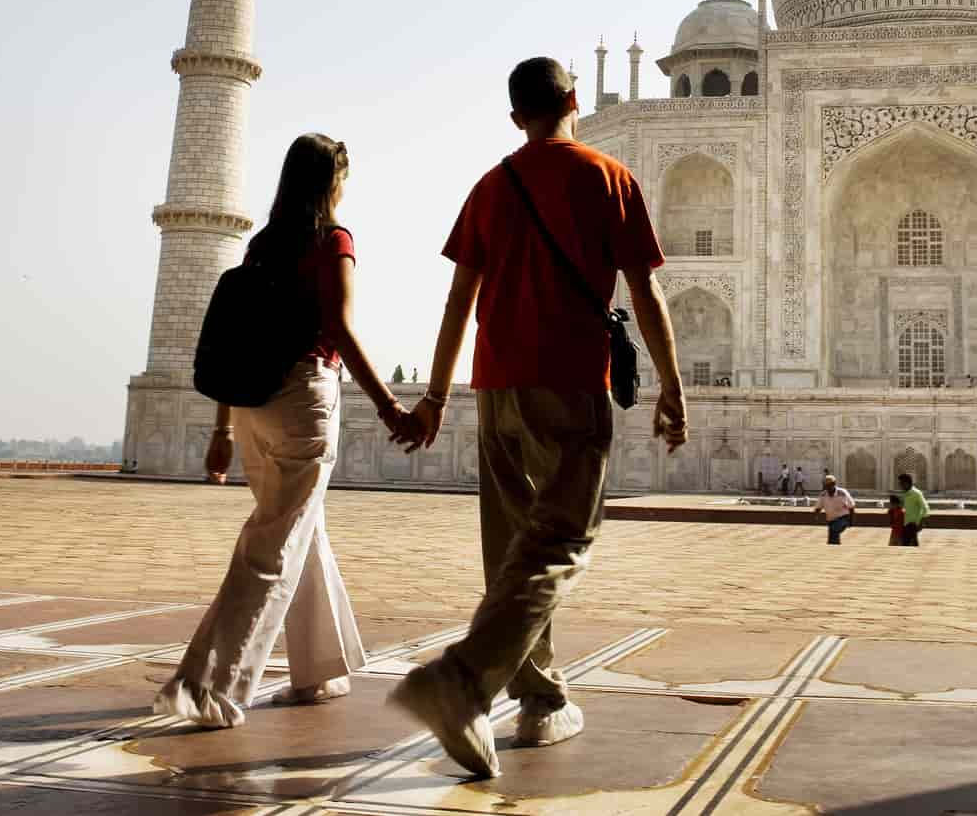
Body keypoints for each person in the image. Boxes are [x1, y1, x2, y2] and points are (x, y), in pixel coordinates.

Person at [389, 58, 687, 780]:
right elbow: (644, 293)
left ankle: (539, 695)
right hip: (569, 382)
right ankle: (463, 680)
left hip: (495, 386)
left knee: (512, 547)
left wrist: (434, 395)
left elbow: (457, 300)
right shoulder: (607, 177)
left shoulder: (491, 186)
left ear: (515, 116)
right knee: (561, 540)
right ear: (575, 101)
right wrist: (672, 386)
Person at [155, 134, 412, 730]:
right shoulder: (333, 239)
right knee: (272, 546)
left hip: (251, 406)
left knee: (300, 533)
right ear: (333, 182)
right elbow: (340, 330)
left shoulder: (264, 243)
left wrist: (221, 428)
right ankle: (208, 686)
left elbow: (236, 334)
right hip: (302, 399)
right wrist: (389, 406)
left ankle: (320, 669)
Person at [812, 474, 855, 543]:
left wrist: (851, 521)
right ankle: (834, 548)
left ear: (834, 484)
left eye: (829, 485)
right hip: (831, 520)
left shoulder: (842, 493)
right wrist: (815, 516)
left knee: (834, 529)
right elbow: (818, 507)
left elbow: (851, 507)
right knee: (832, 537)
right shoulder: (823, 495)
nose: (828, 488)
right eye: (826, 486)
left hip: (843, 518)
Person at [897, 472, 930, 546]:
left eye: (901, 484)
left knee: (908, 544)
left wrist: (922, 522)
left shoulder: (916, 493)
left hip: (913, 523)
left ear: (906, 483)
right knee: (910, 544)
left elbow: (926, 508)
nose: (900, 486)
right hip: (905, 523)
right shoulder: (905, 494)